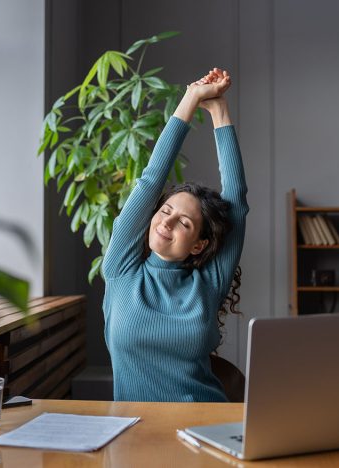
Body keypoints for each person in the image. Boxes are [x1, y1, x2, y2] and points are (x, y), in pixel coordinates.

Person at [102, 68, 248, 402]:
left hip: (206, 424)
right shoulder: (121, 269)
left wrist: (219, 110)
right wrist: (191, 97)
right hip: (136, 431)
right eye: (165, 211)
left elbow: (236, 200)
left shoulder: (209, 283)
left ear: (199, 244)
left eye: (184, 223)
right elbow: (151, 180)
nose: (166, 223)